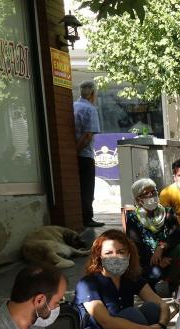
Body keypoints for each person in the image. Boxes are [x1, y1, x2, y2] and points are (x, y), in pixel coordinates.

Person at [125, 178, 180, 293]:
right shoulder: (133, 218)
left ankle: (178, 293)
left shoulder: (167, 212)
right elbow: (136, 245)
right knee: (154, 273)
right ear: (138, 199)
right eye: (146, 193)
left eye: (153, 192)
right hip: (147, 258)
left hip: (168, 252)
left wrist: (161, 248)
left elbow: (176, 235)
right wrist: (158, 259)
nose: (151, 195)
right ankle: (149, 294)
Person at [73, 80, 103, 227]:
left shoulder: (73, 106)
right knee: (87, 188)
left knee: (77, 187)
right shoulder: (90, 109)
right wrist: (76, 151)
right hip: (84, 155)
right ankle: (87, 218)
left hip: (76, 154)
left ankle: (79, 216)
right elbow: (88, 135)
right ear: (92, 94)